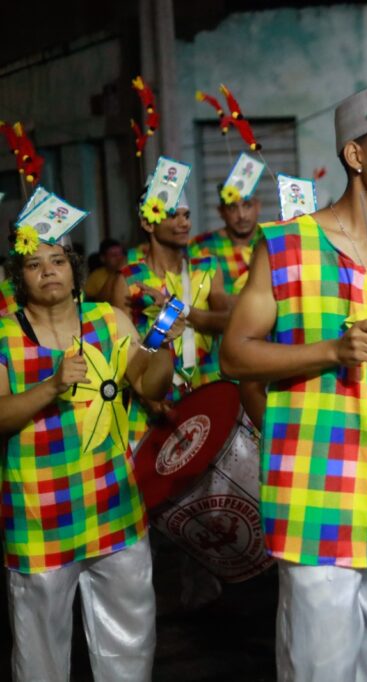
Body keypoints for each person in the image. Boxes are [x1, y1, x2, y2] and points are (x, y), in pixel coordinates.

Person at [220, 80, 367, 682]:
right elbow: (234, 355)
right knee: (318, 668)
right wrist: (330, 349)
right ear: (355, 154)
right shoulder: (285, 245)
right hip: (314, 493)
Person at [0, 227, 180, 681]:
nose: (48, 271)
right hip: (39, 517)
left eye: (57, 260)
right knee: (39, 651)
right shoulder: (4, 334)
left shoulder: (109, 319)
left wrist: (164, 343)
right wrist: (52, 386)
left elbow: (149, 384)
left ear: (74, 269)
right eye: (34, 264)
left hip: (114, 507)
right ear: (19, 277)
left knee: (130, 644)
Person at [112, 195, 231, 442]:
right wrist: (150, 400)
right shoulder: (130, 278)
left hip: (204, 389)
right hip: (151, 402)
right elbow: (120, 349)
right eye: (173, 215)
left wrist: (175, 308)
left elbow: (225, 321)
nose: (184, 223)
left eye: (186, 216)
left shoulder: (206, 267)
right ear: (147, 223)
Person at [190, 183, 262, 296]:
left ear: (258, 207)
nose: (241, 215)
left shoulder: (270, 242)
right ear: (221, 212)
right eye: (232, 208)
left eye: (247, 206)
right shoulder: (201, 246)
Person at [83, 237, 126, 302]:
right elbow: (90, 300)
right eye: (114, 255)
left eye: (121, 253)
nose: (119, 258)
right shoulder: (96, 276)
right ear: (103, 258)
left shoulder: (131, 270)